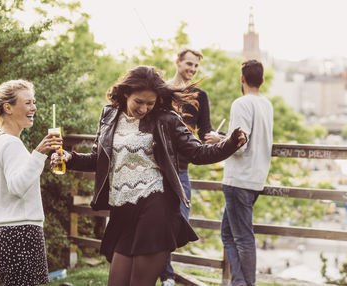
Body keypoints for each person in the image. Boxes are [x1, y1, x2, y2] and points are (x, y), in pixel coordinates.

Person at [53, 65, 246, 286]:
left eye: (150, 103)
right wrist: (70, 158)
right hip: (122, 210)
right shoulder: (109, 115)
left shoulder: (165, 119)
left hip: (156, 206)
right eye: (139, 102)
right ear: (126, 93)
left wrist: (230, 143)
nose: (144, 108)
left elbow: (198, 152)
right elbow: (99, 159)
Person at [0, 79, 63, 285]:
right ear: (8, 108)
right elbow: (17, 188)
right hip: (22, 235)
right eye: (27, 102)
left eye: (33, 102)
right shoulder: (12, 144)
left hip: (2, 236)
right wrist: (39, 154)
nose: (33, 107)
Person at [161, 48, 223, 285]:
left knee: (179, 222)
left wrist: (220, 138)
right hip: (161, 166)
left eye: (196, 66)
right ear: (177, 62)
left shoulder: (200, 95)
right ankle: (166, 276)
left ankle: (161, 269)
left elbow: (206, 131)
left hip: (183, 168)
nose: (192, 69)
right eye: (189, 64)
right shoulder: (163, 92)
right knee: (161, 222)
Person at [220, 60, 273, 286]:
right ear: (261, 80)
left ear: (242, 79)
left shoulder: (241, 103)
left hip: (238, 178)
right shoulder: (266, 104)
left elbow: (240, 145)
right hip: (256, 177)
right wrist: (224, 138)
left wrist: (220, 141)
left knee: (242, 238)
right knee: (228, 234)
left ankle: (246, 284)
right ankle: (239, 282)